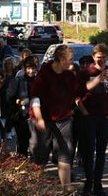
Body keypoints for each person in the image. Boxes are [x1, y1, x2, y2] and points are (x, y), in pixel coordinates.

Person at [29, 44, 91, 187]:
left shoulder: (69, 75)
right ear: (61, 59)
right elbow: (35, 97)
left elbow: (80, 90)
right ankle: (35, 189)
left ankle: (66, 188)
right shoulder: (44, 73)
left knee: (65, 153)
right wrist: (39, 119)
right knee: (40, 156)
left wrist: (97, 80)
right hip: (43, 119)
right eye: (70, 59)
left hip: (63, 119)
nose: (72, 61)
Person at [77, 44, 108, 196]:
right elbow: (77, 94)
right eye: (98, 57)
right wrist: (84, 112)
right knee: (88, 151)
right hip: (88, 117)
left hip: (104, 117)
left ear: (107, 57)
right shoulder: (85, 73)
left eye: (104, 57)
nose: (101, 60)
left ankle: (98, 183)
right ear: (93, 57)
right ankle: (88, 182)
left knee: (101, 152)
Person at [6, 55, 38, 157]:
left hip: (36, 116)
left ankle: (34, 164)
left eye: (33, 68)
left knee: (35, 144)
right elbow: (9, 96)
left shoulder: (39, 81)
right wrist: (19, 101)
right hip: (22, 116)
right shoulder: (18, 81)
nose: (31, 71)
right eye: (29, 68)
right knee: (22, 143)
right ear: (24, 69)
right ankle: (22, 163)